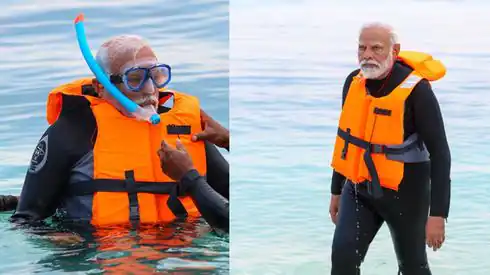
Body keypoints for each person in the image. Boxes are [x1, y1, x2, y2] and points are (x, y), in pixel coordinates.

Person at [8, 34, 230, 235]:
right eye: (135, 78)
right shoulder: (72, 131)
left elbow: (236, 207)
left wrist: (228, 142)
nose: (150, 89)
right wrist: (60, 240)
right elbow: (25, 221)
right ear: (101, 87)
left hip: (181, 254)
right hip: (100, 252)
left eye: (157, 76)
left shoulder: (185, 130)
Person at [328, 22, 451, 275]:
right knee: (342, 260)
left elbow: (440, 153)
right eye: (362, 48)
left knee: (413, 268)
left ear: (394, 51)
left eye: (376, 48)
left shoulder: (417, 91)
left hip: (407, 192)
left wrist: (438, 214)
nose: (367, 55)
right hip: (359, 188)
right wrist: (336, 190)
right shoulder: (353, 82)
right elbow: (348, 140)